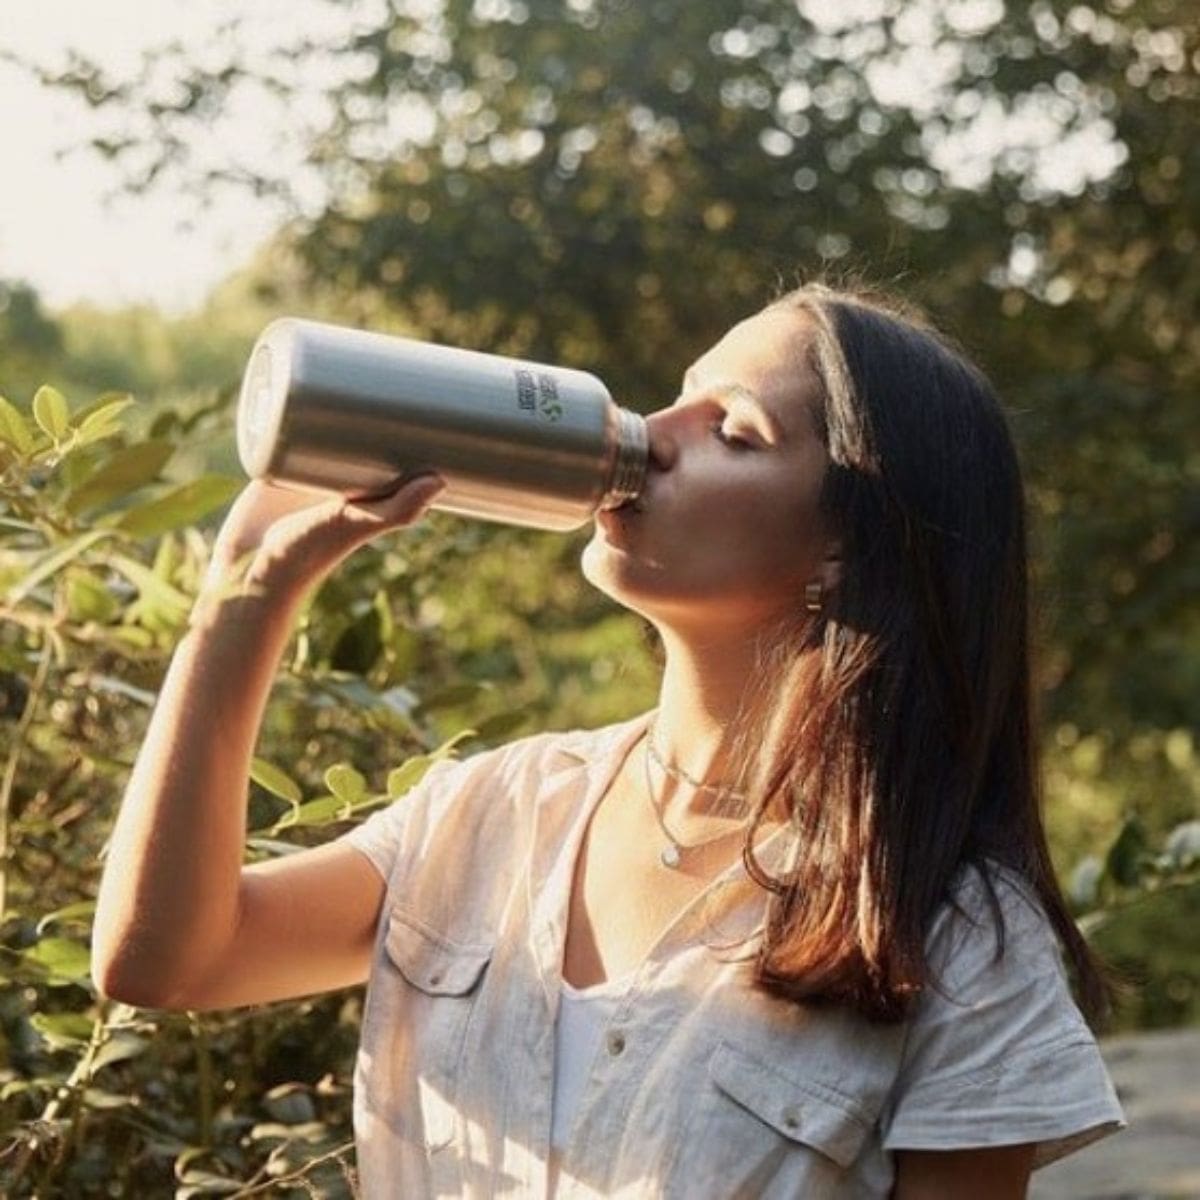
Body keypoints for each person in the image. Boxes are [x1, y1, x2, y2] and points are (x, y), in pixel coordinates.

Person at [92, 279, 1130, 1198]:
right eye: (679, 390)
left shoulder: (951, 935)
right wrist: (244, 594)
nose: (652, 430)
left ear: (851, 551)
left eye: (734, 429)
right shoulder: (491, 812)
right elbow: (168, 960)